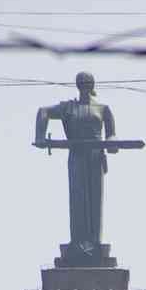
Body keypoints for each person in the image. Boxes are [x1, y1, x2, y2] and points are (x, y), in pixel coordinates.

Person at [34, 71, 118, 253]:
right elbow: (44, 111)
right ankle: (78, 242)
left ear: (92, 85)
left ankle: (94, 243)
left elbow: (111, 134)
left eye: (87, 83)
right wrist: (39, 136)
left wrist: (111, 142)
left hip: (95, 156)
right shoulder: (69, 107)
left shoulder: (103, 109)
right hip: (77, 156)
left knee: (95, 198)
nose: (84, 86)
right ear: (77, 86)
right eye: (81, 83)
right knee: (78, 196)